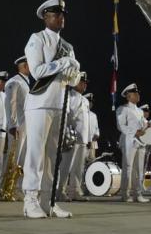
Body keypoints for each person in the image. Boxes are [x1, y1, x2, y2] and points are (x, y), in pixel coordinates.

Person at [21, 0, 79, 219]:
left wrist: (74, 72)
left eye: (62, 14)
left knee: (52, 157)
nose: (60, 17)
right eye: (55, 14)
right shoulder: (37, 39)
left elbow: (72, 82)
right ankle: (30, 201)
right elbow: (37, 71)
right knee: (35, 153)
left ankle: (48, 201)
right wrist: (63, 64)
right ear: (45, 17)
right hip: (39, 104)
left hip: (58, 104)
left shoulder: (68, 47)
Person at [58, 72, 89, 202]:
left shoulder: (85, 100)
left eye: (85, 83)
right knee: (65, 166)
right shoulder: (68, 96)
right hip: (71, 136)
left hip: (83, 138)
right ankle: (60, 191)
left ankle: (75, 191)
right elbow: (66, 116)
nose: (84, 85)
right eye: (81, 82)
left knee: (78, 167)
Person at [3, 55, 31, 199]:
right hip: (18, 125)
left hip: (27, 126)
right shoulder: (14, 82)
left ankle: (18, 187)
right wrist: (12, 125)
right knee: (15, 157)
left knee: (24, 158)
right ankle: (8, 189)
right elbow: (10, 104)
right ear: (24, 65)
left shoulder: (27, 82)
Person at [116, 83, 149, 203]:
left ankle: (138, 194)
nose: (138, 95)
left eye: (138, 93)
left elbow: (143, 124)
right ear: (128, 96)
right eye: (135, 93)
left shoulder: (140, 111)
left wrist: (146, 126)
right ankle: (125, 194)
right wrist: (135, 132)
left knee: (139, 169)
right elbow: (120, 126)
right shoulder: (123, 109)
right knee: (128, 168)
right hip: (129, 141)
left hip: (140, 142)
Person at [84, 93, 100, 161]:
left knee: (92, 163)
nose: (91, 103)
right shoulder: (81, 113)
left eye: (92, 102)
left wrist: (97, 135)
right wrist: (87, 140)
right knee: (81, 162)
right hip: (83, 143)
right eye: (89, 101)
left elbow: (96, 128)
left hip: (93, 143)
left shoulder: (94, 115)